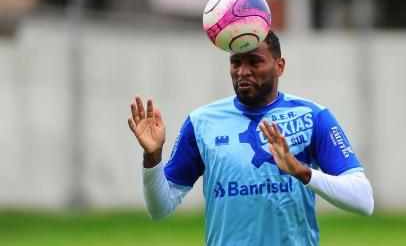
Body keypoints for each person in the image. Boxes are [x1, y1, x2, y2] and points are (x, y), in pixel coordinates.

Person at [128, 31, 374, 246]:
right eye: (236, 62)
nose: (243, 72)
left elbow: (364, 200)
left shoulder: (313, 117)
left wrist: (301, 171)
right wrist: (152, 156)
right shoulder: (201, 122)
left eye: (254, 62)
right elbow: (159, 208)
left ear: (279, 66)